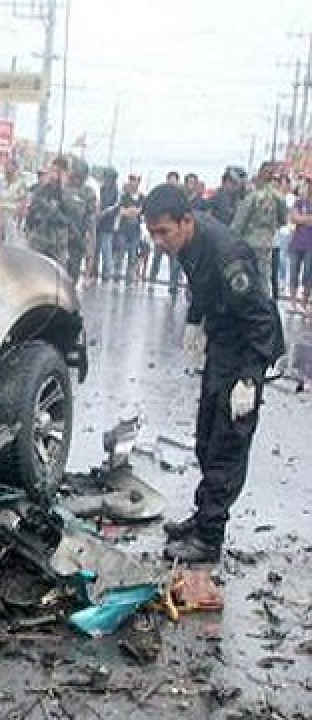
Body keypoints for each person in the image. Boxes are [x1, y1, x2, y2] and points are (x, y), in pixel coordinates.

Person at [144, 183, 284, 563]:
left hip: (247, 349)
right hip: (223, 343)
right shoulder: (187, 244)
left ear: (185, 221)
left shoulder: (227, 254)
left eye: (164, 232)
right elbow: (200, 289)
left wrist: (251, 378)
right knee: (206, 437)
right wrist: (194, 322)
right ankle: (202, 516)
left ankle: (209, 539)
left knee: (227, 444)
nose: (158, 241)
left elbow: (260, 319)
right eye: (152, 233)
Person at [230, 162, 286, 299]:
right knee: (263, 276)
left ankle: (247, 302)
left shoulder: (252, 195)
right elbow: (283, 220)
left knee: (245, 274)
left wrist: (230, 238)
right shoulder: (278, 197)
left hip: (249, 240)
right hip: (266, 241)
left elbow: (240, 221)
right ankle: (263, 303)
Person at [25, 156, 76, 266]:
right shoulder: (42, 190)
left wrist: (62, 188)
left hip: (57, 241)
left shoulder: (69, 192)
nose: (53, 174)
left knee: (57, 272)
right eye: (52, 170)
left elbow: (71, 214)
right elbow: (32, 209)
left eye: (57, 172)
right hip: (40, 238)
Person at [64, 158, 96, 279]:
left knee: (74, 268)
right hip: (60, 235)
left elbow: (90, 216)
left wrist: (89, 235)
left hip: (78, 235)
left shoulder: (88, 192)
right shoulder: (61, 188)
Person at [288, 179, 312, 313]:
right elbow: (294, 218)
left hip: (310, 245)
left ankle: (304, 303)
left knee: (308, 274)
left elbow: (299, 218)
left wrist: (302, 218)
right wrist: (306, 219)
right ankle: (293, 303)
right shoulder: (299, 202)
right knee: (293, 272)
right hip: (296, 242)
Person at [116, 174, 145, 285]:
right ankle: (117, 276)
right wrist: (133, 211)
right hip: (123, 230)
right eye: (131, 180)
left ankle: (129, 278)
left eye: (135, 180)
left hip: (136, 230)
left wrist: (131, 211)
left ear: (139, 182)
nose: (133, 182)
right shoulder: (124, 196)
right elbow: (121, 211)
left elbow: (141, 211)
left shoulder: (142, 197)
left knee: (133, 255)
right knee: (120, 253)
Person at [95, 170, 122, 281]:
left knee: (106, 250)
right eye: (105, 177)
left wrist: (105, 213)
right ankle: (94, 272)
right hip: (97, 224)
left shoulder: (117, 192)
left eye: (108, 177)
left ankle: (106, 275)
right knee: (95, 250)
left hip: (108, 226)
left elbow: (116, 207)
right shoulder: (101, 189)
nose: (106, 179)